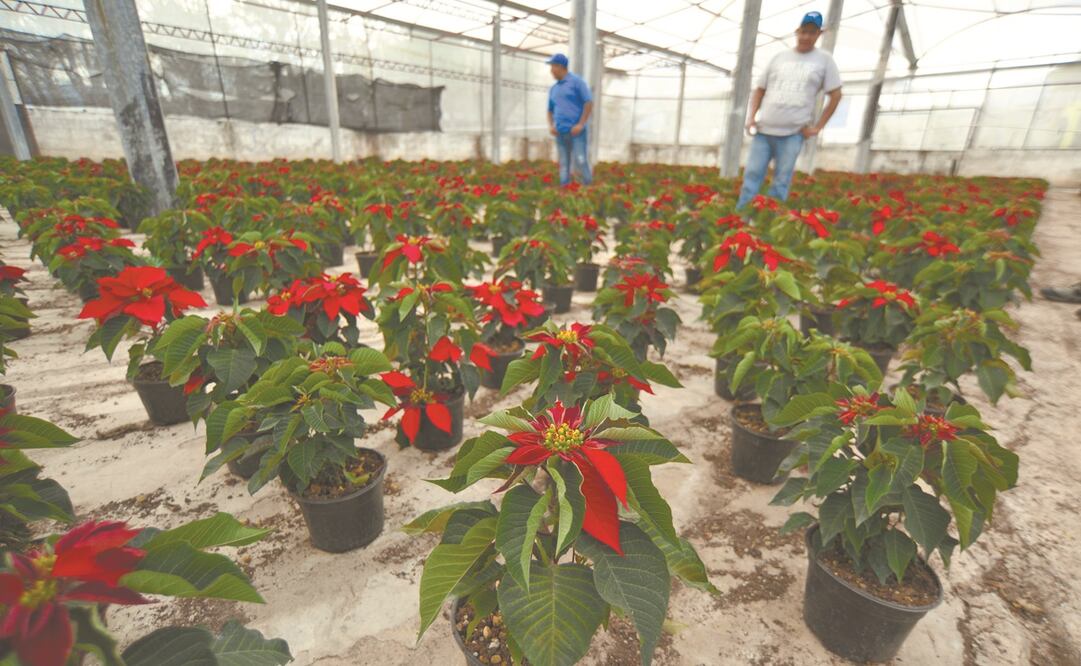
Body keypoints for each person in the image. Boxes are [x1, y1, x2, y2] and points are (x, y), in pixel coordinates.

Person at [736, 11, 843, 209]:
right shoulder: (779, 57)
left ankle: (770, 219)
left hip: (793, 134)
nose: (806, 36)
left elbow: (836, 95)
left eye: (812, 32)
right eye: (803, 31)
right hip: (764, 131)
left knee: (781, 181)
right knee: (751, 176)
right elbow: (760, 90)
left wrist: (818, 127)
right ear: (797, 31)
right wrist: (751, 117)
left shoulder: (824, 60)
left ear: (819, 34)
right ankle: (743, 216)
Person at [546, 53, 593, 186]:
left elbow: (588, 102)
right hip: (560, 132)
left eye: (552, 67)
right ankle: (565, 189)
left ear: (560, 66)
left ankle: (588, 189)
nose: (551, 71)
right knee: (564, 164)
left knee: (580, 160)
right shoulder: (554, 89)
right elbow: (549, 110)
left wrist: (581, 124)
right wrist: (551, 126)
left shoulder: (577, 82)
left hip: (577, 133)